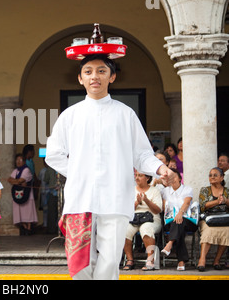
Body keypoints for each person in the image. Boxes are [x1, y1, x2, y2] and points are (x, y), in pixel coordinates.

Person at [45, 53, 174, 280]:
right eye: (88, 72)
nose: (95, 76)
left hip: (115, 196)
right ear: (80, 78)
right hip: (80, 198)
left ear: (112, 77)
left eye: (102, 71)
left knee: (110, 260)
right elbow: (54, 155)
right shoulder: (70, 116)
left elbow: (142, 153)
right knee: (80, 261)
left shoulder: (125, 114)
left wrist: (159, 169)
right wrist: (80, 174)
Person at [123, 171, 162, 271]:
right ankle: (130, 260)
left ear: (148, 178)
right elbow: (126, 210)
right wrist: (137, 202)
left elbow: (158, 210)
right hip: (134, 218)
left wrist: (147, 201)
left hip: (152, 218)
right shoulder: (131, 190)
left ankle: (150, 260)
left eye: (140, 176)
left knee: (146, 228)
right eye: (136, 175)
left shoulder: (155, 191)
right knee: (124, 230)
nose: (137, 178)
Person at [161, 168, 198, 271]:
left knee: (178, 222)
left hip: (188, 219)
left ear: (180, 178)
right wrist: (176, 216)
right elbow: (165, 209)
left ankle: (170, 244)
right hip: (171, 221)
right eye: (170, 177)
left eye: (174, 176)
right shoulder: (165, 191)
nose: (172, 179)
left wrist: (180, 213)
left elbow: (186, 203)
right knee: (177, 225)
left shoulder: (187, 189)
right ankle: (181, 261)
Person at [196, 167, 229, 271]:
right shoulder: (205, 190)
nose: (212, 177)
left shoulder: (227, 191)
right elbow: (202, 206)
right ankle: (202, 259)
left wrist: (225, 200)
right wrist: (217, 202)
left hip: (223, 218)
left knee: (227, 231)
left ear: (222, 177)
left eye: (215, 175)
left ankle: (217, 260)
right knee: (208, 231)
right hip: (207, 218)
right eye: (210, 175)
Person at [8, 153, 38, 235]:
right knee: (19, 211)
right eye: (17, 160)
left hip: (27, 194)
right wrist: (17, 182)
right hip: (18, 193)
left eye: (20, 160)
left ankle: (28, 228)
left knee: (27, 211)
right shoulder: (16, 170)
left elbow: (19, 180)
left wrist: (17, 182)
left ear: (24, 161)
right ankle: (24, 227)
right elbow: (9, 179)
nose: (18, 162)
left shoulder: (26, 170)